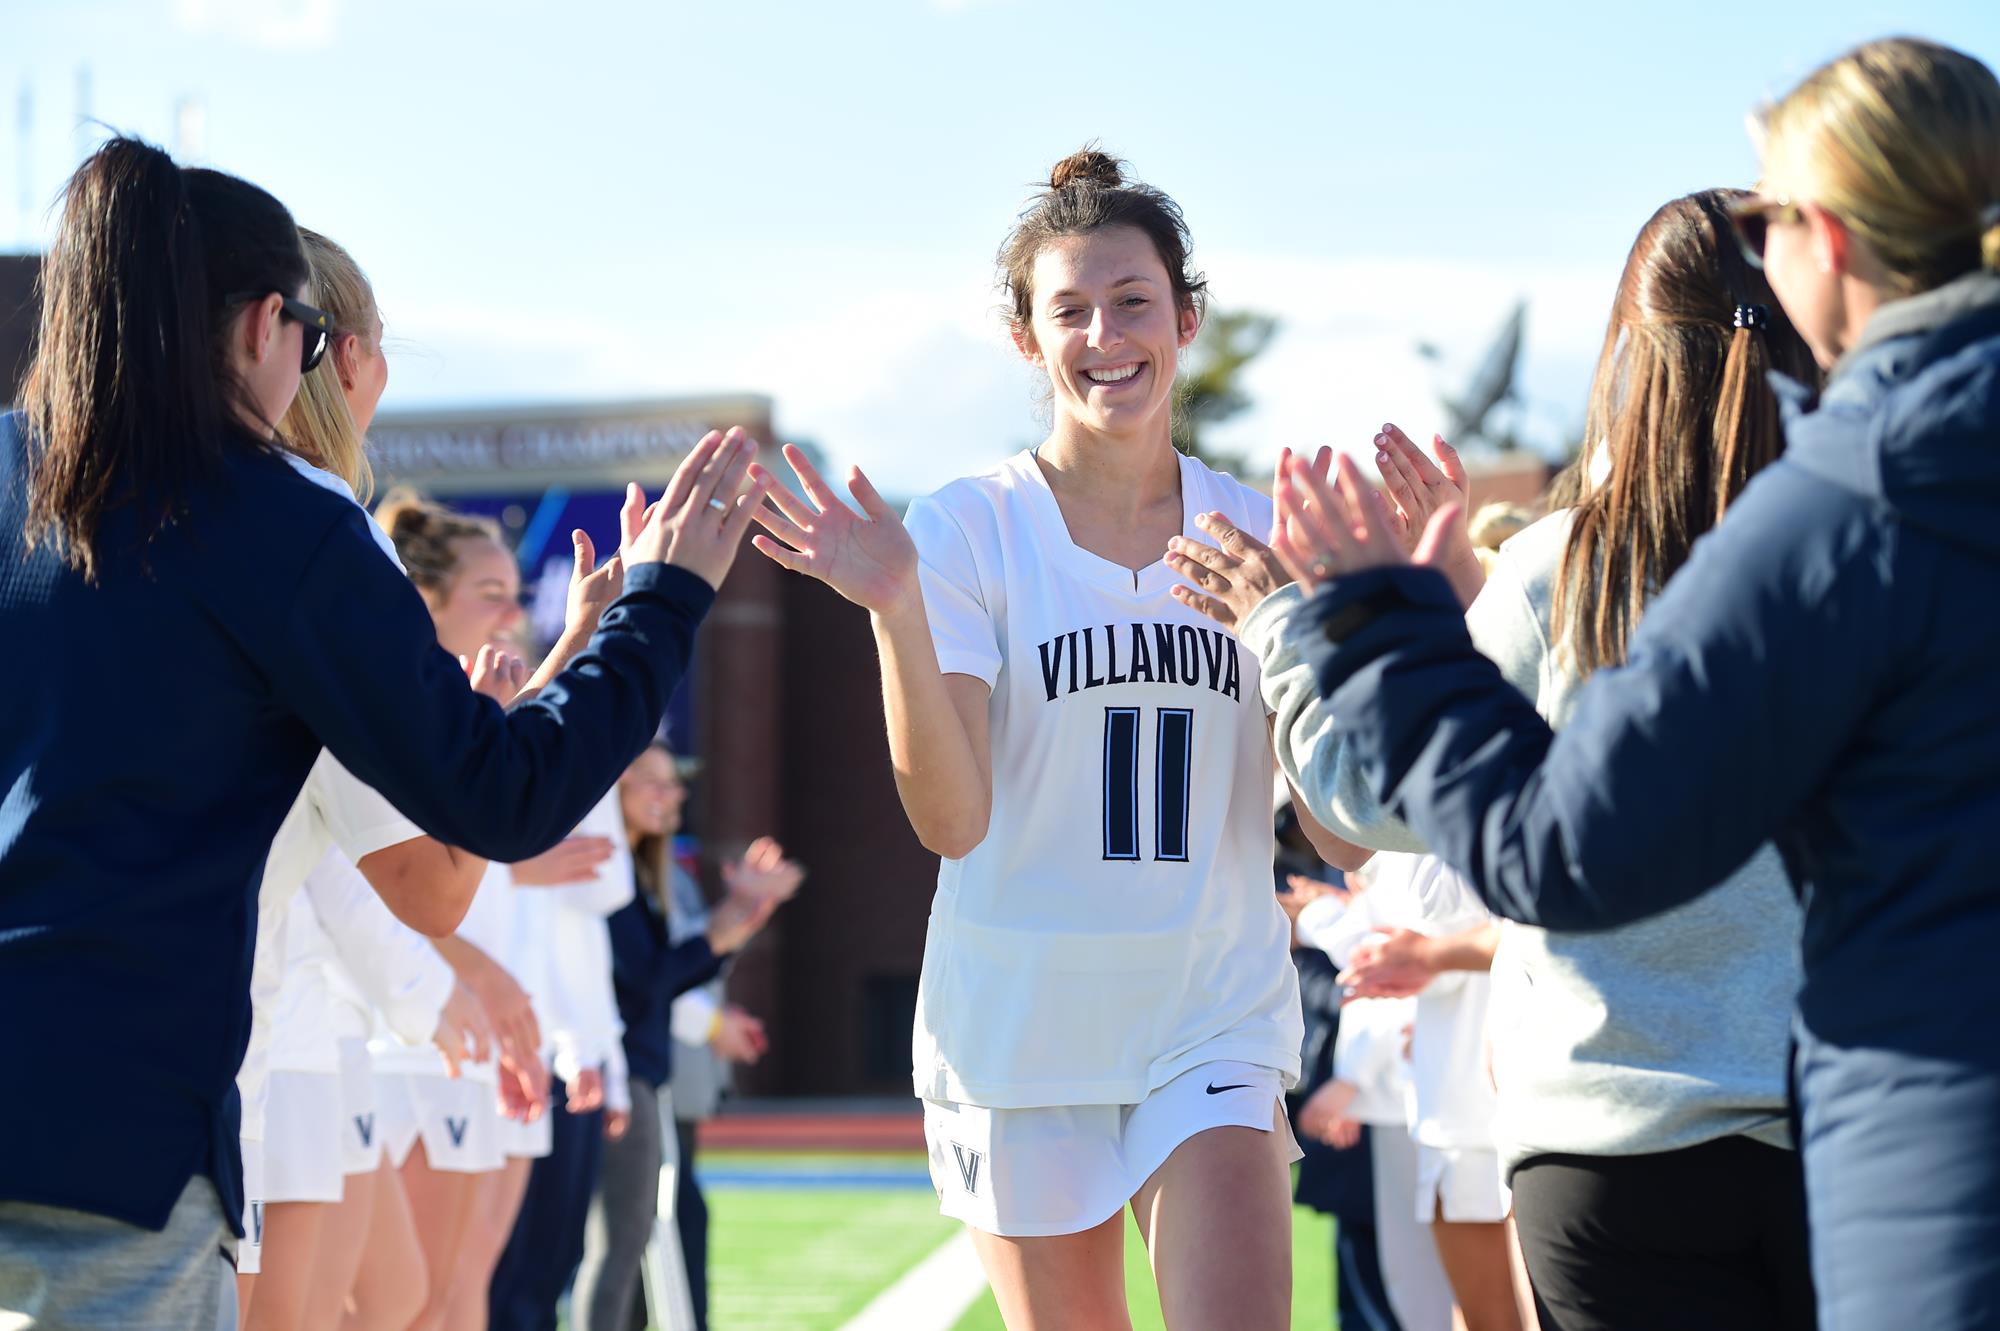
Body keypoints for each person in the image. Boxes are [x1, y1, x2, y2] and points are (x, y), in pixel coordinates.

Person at [1249, 37, 2000, 1328]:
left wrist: (1348, 627)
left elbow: (1532, 836)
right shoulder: (1843, 495)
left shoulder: (1814, 515)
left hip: (1710, 1125)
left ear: (1823, 236)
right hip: (1832, 1117)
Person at [0, 136, 765, 1328]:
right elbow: (495, 797)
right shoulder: (277, 517)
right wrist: (661, 604)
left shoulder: (14, 472)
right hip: (120, 1110)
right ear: (266, 328)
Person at [1185, 187, 1821, 1329]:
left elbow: (1368, 797)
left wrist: (1291, 627)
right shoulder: (1866, 555)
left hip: (1604, 1138)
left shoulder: (1559, 567)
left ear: (1629, 354)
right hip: (1835, 1121)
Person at [750, 147, 1362, 1331]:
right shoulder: (972, 525)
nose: (1104, 335)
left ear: (1184, 317)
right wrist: (894, 616)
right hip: (1019, 1028)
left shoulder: (1255, 525)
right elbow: (952, 819)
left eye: (1131, 301)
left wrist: (1310, 644)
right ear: (1028, 340)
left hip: (1208, 1014)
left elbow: (1334, 831)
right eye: (1067, 310)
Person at [576, 742, 799, 1331]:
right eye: (651, 782)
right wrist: (725, 930)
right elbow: (646, 978)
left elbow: (669, 971)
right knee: (608, 1252)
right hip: (609, 1078)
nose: (671, 795)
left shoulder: (644, 871)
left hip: (638, 1077)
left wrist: (738, 919)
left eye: (673, 783)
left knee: (633, 1243)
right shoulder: (601, 865)